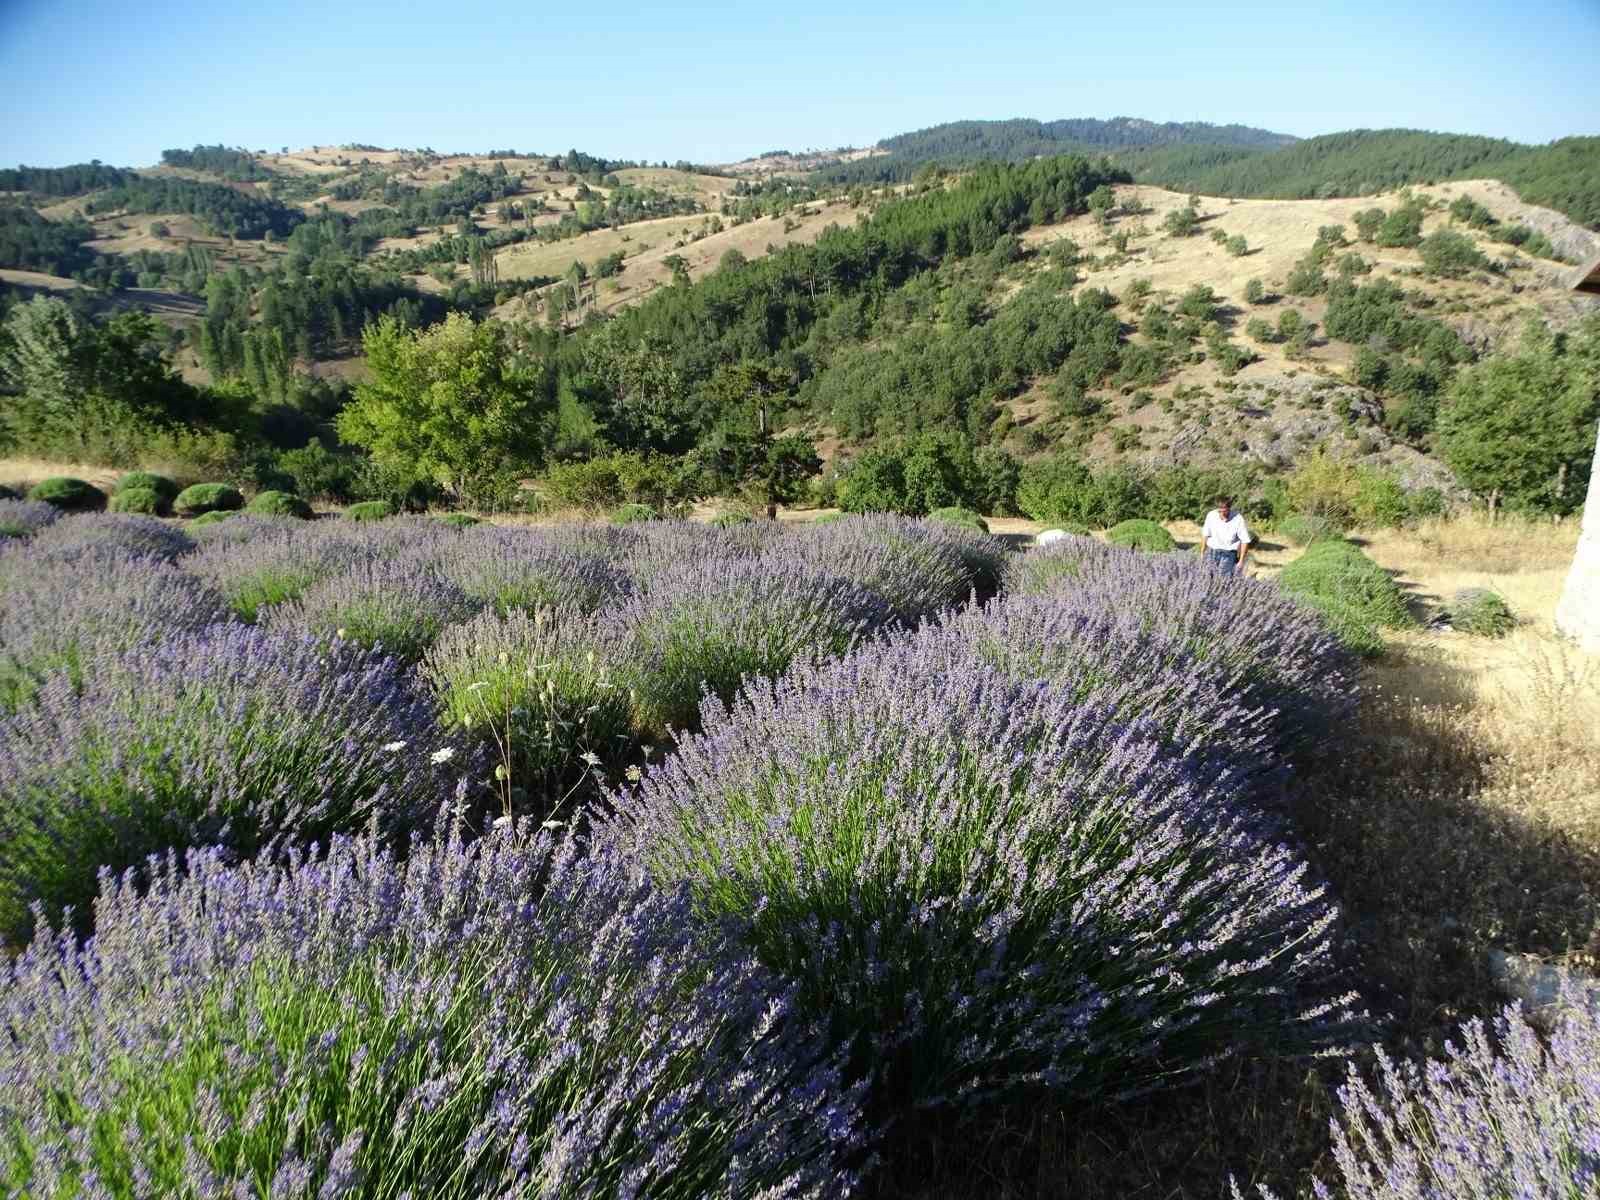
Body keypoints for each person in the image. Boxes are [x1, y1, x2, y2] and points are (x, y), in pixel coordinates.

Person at [1201, 495, 1252, 576]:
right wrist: (1202, 552)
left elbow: (1245, 540)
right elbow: (1205, 534)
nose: (1222, 514)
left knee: (1224, 580)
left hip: (1229, 554)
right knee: (1207, 577)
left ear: (1229, 509)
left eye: (1225, 511)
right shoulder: (1211, 515)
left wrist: (1241, 560)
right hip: (1212, 551)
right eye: (1220, 511)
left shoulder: (1238, 518)